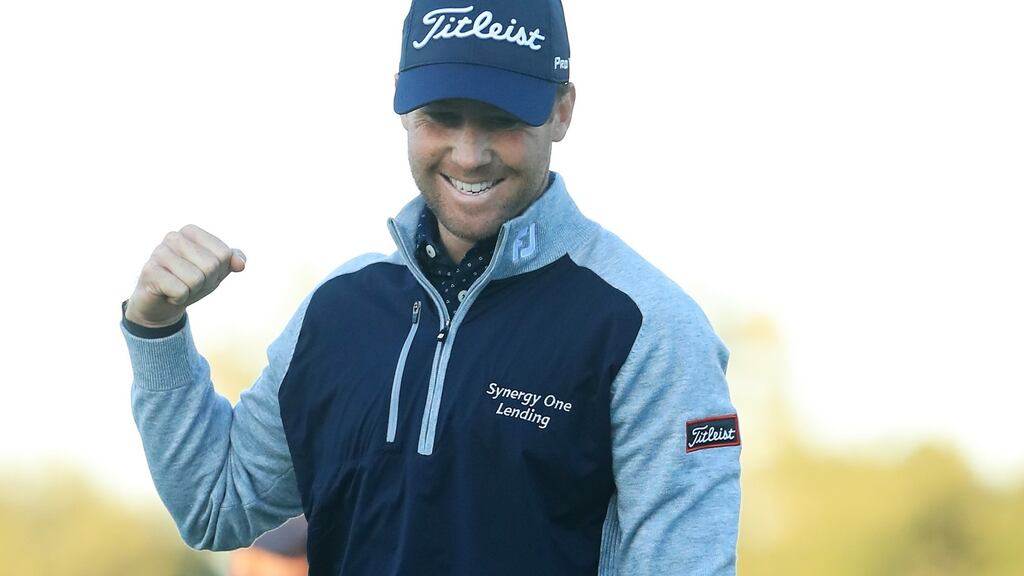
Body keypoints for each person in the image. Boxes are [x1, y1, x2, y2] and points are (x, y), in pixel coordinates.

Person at [121, 1, 742, 574]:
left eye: (501, 121)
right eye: (443, 117)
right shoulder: (337, 311)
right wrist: (156, 330)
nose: (469, 155)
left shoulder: (649, 327)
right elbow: (214, 504)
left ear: (561, 110)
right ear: (402, 104)